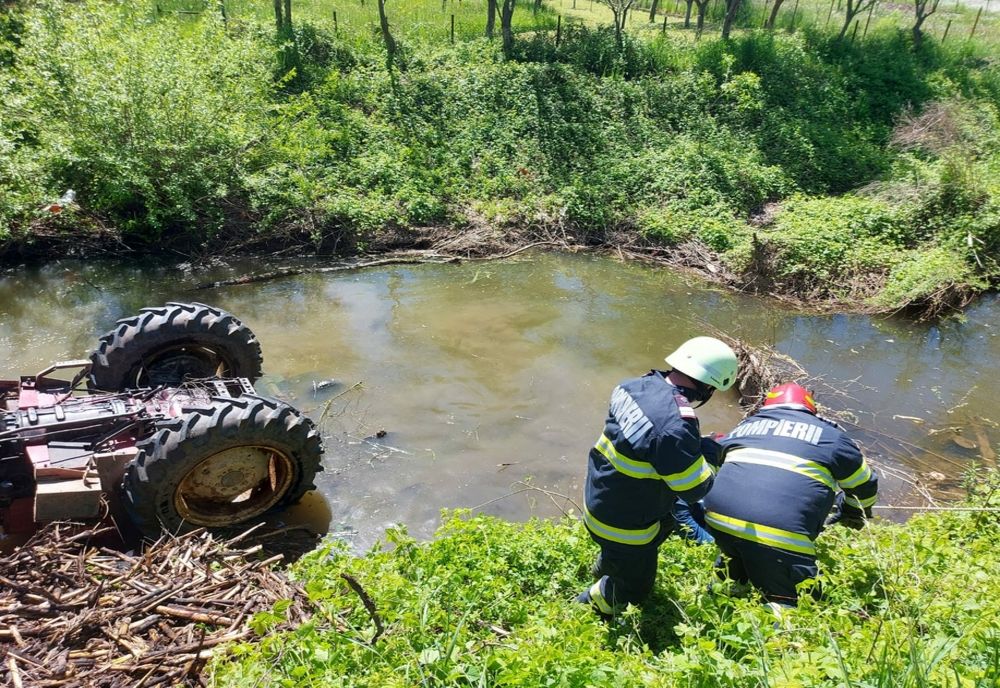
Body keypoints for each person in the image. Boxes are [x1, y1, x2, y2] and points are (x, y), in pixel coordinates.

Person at [576, 336, 738, 616]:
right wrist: (710, 455)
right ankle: (589, 605)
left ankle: (607, 566)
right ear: (709, 386)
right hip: (625, 526)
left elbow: (645, 441)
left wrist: (694, 444)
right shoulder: (676, 425)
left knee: (626, 551)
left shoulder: (631, 386)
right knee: (634, 590)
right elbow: (693, 489)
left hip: (600, 497)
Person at [703, 382, 879, 608]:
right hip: (780, 532)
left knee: (734, 554)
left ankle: (721, 596)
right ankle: (779, 623)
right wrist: (853, 512)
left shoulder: (744, 427)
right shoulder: (832, 438)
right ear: (810, 409)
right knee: (795, 597)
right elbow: (865, 484)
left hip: (718, 520)